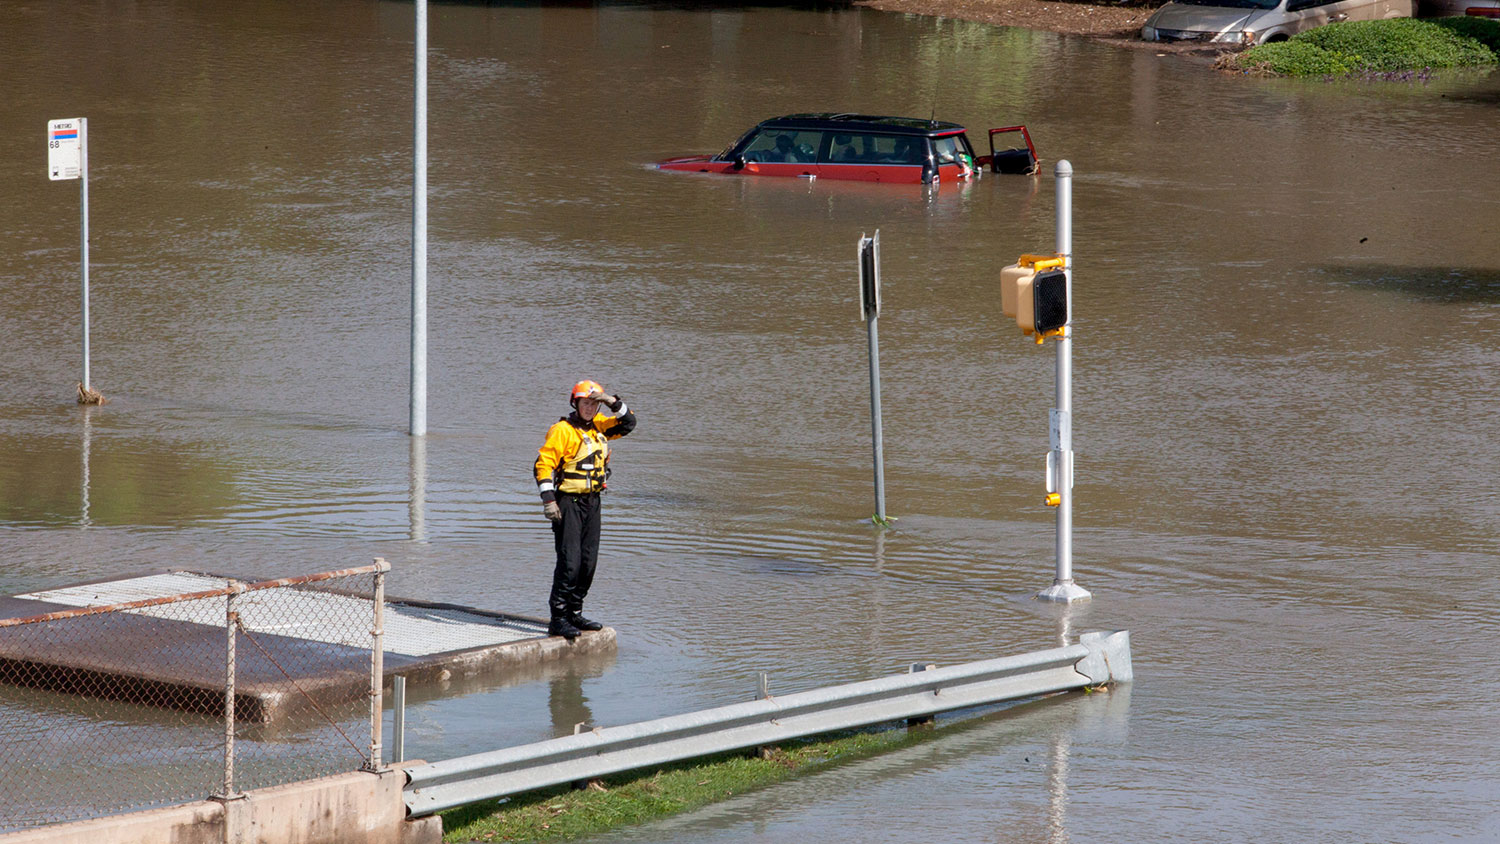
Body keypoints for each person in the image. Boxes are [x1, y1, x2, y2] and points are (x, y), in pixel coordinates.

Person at [533, 380, 637, 640]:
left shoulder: (601, 427)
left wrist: (611, 400)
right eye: (585, 403)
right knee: (570, 562)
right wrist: (549, 500)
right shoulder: (562, 431)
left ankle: (575, 612)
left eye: (594, 403)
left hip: (593, 502)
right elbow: (542, 465)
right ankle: (558, 618)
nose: (590, 408)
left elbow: (629, 424)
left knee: (588, 563)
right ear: (575, 404)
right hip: (568, 503)